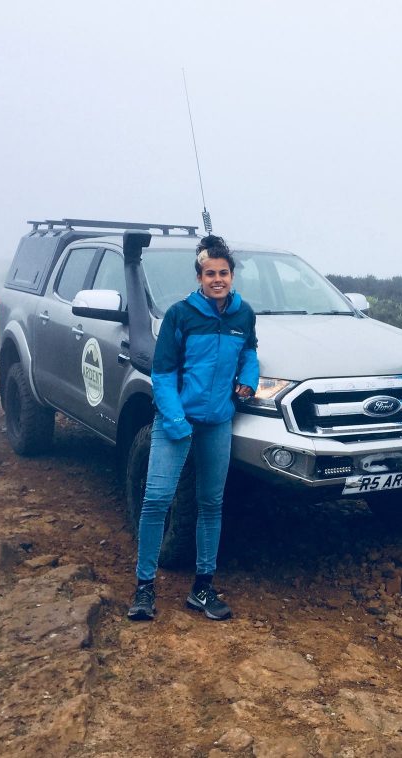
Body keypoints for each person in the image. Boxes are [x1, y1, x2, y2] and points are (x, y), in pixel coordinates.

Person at [127, 235, 259, 621]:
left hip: (218, 422)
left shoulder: (242, 314)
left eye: (223, 273)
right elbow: (162, 373)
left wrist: (248, 379)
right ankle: (144, 588)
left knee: (211, 504)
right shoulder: (180, 315)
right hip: (176, 422)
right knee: (156, 501)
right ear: (199, 276)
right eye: (209, 273)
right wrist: (175, 420)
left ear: (232, 275)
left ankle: (202, 588)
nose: (217, 279)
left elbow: (249, 350)